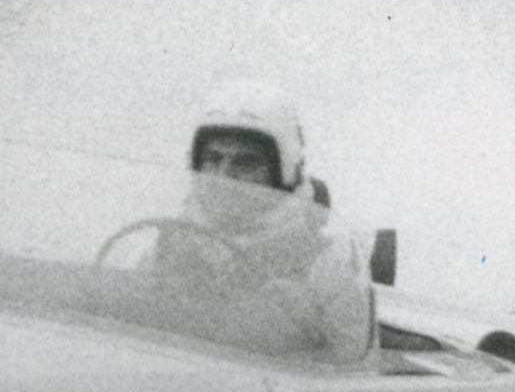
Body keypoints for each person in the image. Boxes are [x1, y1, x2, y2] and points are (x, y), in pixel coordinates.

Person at [151, 82, 370, 361]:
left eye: (245, 163)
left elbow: (349, 374)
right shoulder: (166, 242)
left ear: (283, 172)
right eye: (212, 159)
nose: (223, 175)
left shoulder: (326, 262)